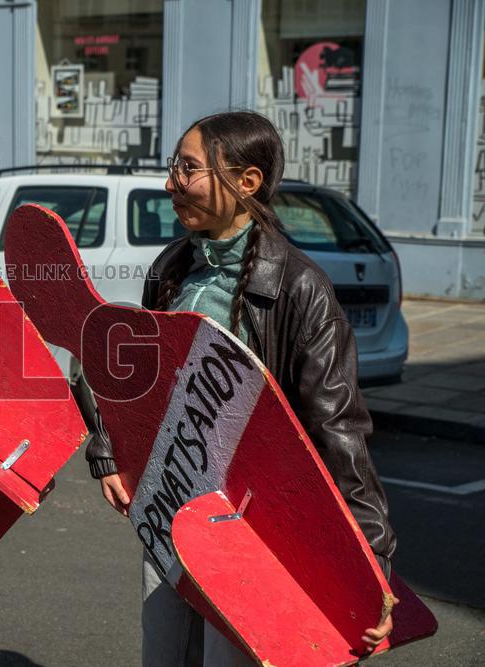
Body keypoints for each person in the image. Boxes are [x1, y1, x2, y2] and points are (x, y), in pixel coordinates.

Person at [85, 111, 397, 666]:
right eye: (174, 166)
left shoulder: (301, 289)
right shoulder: (172, 267)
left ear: (246, 182)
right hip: (166, 507)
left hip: (248, 532)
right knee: (163, 655)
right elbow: (136, 381)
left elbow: (339, 433)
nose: (170, 183)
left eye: (188, 168)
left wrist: (371, 570)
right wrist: (109, 451)